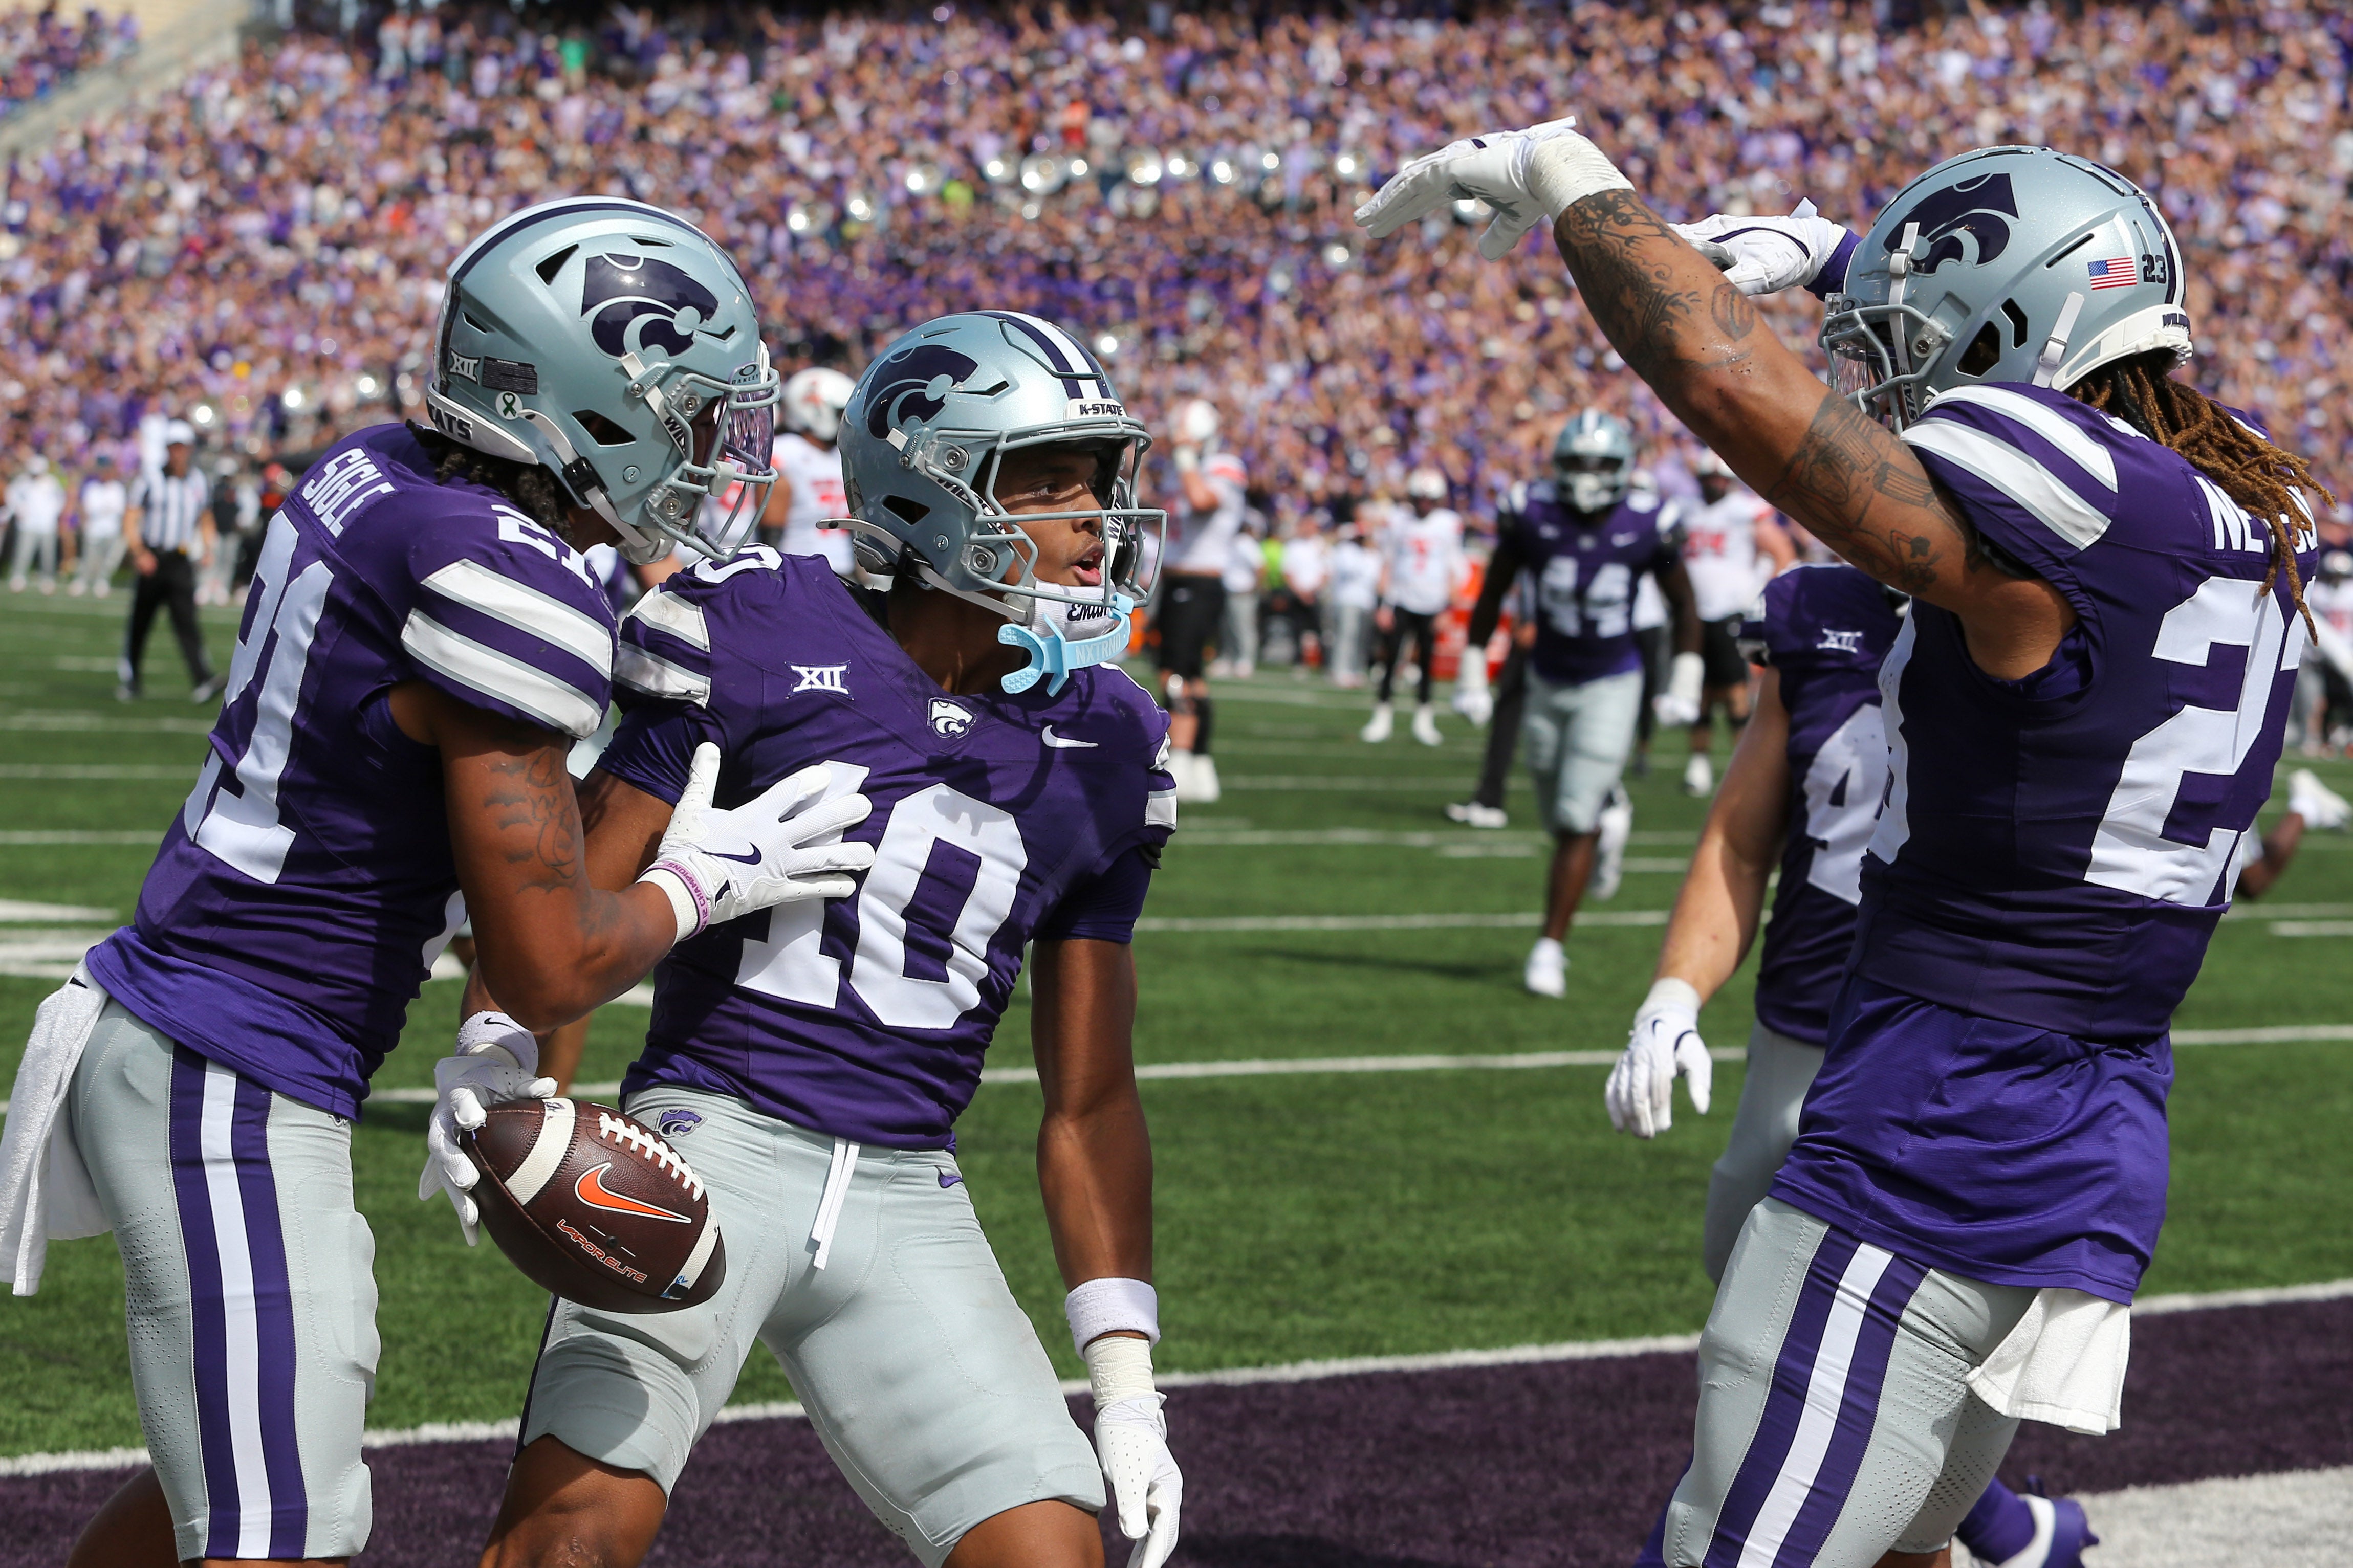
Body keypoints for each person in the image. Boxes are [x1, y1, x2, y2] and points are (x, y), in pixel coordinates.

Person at [1362, 126, 2335, 1567]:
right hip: (2085, 1133)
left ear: (2017, 330)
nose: (1874, 371)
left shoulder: (2056, 489)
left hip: (1936, 1132)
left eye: (1900, 335)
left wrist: (1576, 181)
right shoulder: (2250, 513)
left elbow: (1729, 388)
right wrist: (1833, 252)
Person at [0, 197, 861, 1568]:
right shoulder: (497, 575)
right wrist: (708, 875)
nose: (712, 451)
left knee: (227, 1489)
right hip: (226, 1070)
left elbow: (433, 836)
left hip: (204, 1032)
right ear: (584, 396)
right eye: (689, 410)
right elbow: (549, 952)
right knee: (283, 1529)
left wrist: (492, 1040)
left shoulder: (376, 470)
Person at [474, 311, 1183, 1568]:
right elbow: (579, 892)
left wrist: (1124, 1380)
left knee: (1048, 1552)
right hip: (706, 1149)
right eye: (1051, 478)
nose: (1095, 515)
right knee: (568, 1540)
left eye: (1102, 477)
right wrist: (511, 1064)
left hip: (913, 1187)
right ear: (929, 481)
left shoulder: (1111, 736)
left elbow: (1089, 1098)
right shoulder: (752, 624)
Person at [1604, 561, 2098, 1568]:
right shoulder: (1818, 608)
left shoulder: (2086, 592)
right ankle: (2007, 1522)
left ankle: (1998, 1520)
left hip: (1961, 1063)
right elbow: (1745, 833)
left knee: (1853, 1437)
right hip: (1801, 1042)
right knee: (1764, 1331)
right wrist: (1672, 992)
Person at [1457, 410, 1699, 997]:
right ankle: (1608, 807)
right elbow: (1492, 592)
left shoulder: (1649, 522)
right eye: (1575, 463)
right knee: (1552, 804)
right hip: (1546, 676)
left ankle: (1549, 946)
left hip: (1612, 680)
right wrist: (1470, 672)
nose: (1586, 475)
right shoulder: (1530, 513)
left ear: (1621, 469)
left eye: (1598, 464)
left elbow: (1683, 606)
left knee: (1571, 817)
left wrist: (1684, 680)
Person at [1675, 450, 1794, 796]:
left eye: (1718, 479)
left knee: (1735, 693)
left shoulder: (1743, 510)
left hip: (1731, 611)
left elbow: (1782, 552)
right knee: (1698, 692)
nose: (1712, 485)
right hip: (1695, 613)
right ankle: (1698, 765)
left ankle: (1745, 768)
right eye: (1707, 479)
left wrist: (1761, 599)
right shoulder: (1688, 509)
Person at [1155, 396, 1245, 802]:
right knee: (1190, 675)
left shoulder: (1223, 466)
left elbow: (1202, 500)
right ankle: (1201, 765)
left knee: (1174, 673)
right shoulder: (1182, 468)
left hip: (1200, 582)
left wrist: (1187, 457)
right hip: (1177, 581)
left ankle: (1184, 757)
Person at [118, 422, 223, 702]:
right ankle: (131, 679)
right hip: (153, 556)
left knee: (187, 621)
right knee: (141, 621)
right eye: (173, 447)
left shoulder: (198, 480)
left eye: (182, 447)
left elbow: (205, 517)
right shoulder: (149, 479)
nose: (178, 453)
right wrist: (139, 552)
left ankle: (202, 679)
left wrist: (209, 547)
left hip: (180, 558)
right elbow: (131, 516)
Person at [1362, 466, 1466, 747]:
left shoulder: (1448, 523)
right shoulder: (1398, 520)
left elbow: (1455, 567)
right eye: (1420, 497)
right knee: (1391, 659)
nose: (1424, 504)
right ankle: (1382, 716)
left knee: (1427, 663)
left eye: (1429, 498)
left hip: (1433, 602)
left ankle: (1424, 720)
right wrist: (1383, 604)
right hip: (1401, 599)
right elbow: (1388, 561)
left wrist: (1448, 608)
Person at [761, 365, 856, 574]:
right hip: (798, 568)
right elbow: (771, 525)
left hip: (843, 569)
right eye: (840, 413)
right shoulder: (788, 450)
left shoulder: (839, 455)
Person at [1324, 516, 1380, 687]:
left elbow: (1376, 577)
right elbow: (1351, 571)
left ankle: (1357, 670)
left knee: (1362, 638)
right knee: (1346, 636)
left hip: (1366, 601)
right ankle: (1340, 670)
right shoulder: (1346, 550)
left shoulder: (1372, 554)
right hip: (1347, 599)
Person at [69, 450, 128, 598]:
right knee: (89, 558)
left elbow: (120, 511)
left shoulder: (118, 489)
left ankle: (102, 582)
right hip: (94, 530)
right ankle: (82, 581)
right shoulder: (93, 488)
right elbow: (87, 509)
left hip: (111, 530)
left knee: (107, 560)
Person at [6, 453, 67, 593]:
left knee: (48, 553)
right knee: (24, 551)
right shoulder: (22, 481)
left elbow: (60, 498)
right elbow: (12, 495)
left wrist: (53, 513)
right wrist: (19, 510)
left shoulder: (51, 482)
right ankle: (18, 576)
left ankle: (47, 579)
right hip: (28, 524)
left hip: (47, 524)